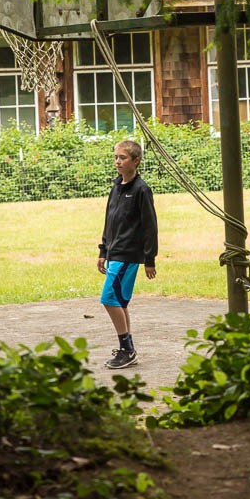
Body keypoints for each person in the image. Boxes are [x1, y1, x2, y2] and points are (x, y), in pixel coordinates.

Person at [97, 139, 157, 369]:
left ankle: (127, 349)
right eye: (116, 157)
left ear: (136, 160)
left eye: (122, 158)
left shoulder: (141, 190)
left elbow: (150, 227)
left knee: (109, 299)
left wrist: (149, 259)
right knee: (119, 302)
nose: (118, 162)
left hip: (128, 254)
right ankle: (127, 350)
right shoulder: (116, 187)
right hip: (113, 252)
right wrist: (103, 250)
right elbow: (109, 221)